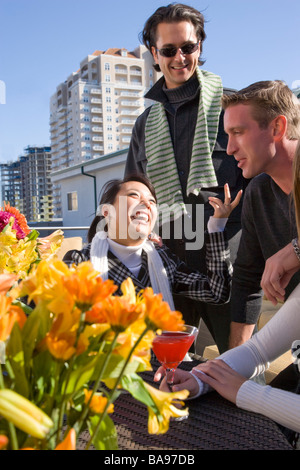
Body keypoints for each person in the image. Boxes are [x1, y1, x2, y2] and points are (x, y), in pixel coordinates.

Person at [155, 140, 300, 448]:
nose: (232, 149)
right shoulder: (85, 260)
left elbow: (219, 290)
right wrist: (199, 379)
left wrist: (216, 230)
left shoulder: (166, 263)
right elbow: (258, 350)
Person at [125, 3, 248, 353]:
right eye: (168, 50)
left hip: (230, 268)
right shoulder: (144, 125)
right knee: (170, 375)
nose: (179, 57)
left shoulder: (233, 108)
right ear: (154, 53)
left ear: (200, 47)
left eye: (188, 47)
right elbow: (133, 194)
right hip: (169, 270)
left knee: (242, 373)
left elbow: (264, 183)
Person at [63, 174, 241, 306]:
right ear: (107, 212)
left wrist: (217, 226)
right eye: (134, 195)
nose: (147, 204)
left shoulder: (162, 259)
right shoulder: (81, 262)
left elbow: (218, 293)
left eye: (152, 201)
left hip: (162, 355)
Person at [220, 80, 300, 348]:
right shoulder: (258, 192)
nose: (229, 148)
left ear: (277, 127)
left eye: (238, 132)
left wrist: (295, 250)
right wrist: (234, 360)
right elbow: (246, 277)